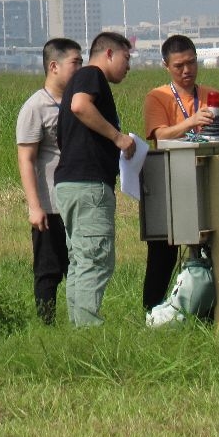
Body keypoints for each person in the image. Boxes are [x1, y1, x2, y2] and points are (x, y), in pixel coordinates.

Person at [54, 31, 142, 327]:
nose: (128, 66)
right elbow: (80, 106)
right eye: (126, 58)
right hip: (88, 184)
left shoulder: (79, 80)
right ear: (108, 54)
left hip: (70, 184)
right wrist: (117, 138)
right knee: (95, 259)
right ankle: (89, 331)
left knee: (80, 261)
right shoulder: (91, 76)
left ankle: (79, 329)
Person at [141, 33, 219, 311]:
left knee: (212, 247)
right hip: (170, 183)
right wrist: (190, 122)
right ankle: (152, 310)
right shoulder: (158, 97)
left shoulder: (208, 94)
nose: (187, 70)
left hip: (204, 178)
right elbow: (160, 136)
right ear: (166, 66)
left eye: (191, 63)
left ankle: (210, 309)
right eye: (179, 66)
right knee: (163, 254)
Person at [15, 38, 84, 324]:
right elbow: (26, 159)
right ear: (54, 66)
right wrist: (35, 206)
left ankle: (82, 321)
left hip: (77, 200)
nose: (81, 68)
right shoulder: (35, 107)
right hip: (50, 203)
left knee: (79, 266)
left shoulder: (79, 103)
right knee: (48, 268)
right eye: (75, 63)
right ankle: (47, 324)